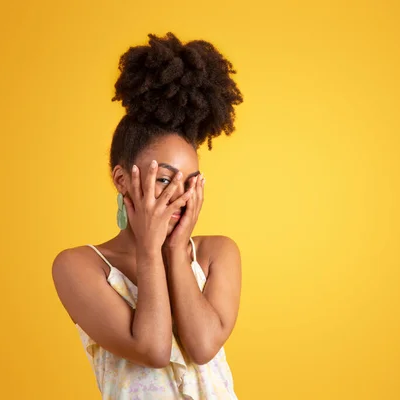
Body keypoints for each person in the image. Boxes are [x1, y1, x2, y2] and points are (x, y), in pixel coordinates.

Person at [52, 32, 243, 399]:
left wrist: (174, 252)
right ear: (122, 179)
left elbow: (203, 346)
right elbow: (152, 349)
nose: (179, 196)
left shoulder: (217, 254)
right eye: (165, 179)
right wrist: (150, 249)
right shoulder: (79, 266)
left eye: (190, 182)